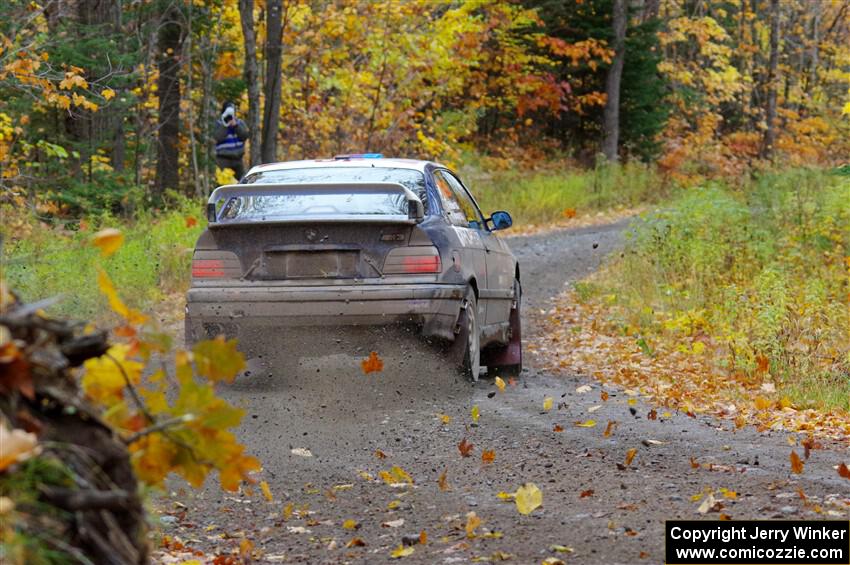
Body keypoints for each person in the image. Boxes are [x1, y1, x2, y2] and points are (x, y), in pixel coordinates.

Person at [213, 101, 249, 181]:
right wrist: (225, 125)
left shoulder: (239, 122)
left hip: (238, 159)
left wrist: (236, 126)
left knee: (242, 181)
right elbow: (218, 137)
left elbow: (244, 136)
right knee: (224, 182)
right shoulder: (219, 123)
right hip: (223, 159)